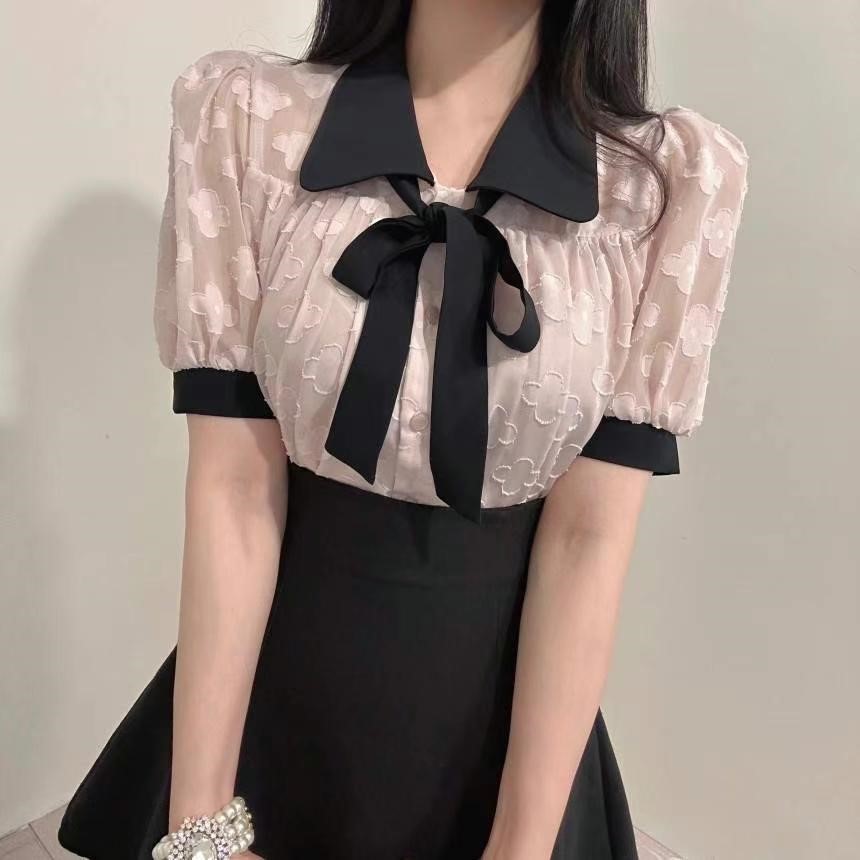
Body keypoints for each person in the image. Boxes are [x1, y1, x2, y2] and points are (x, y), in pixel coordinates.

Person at [57, 0, 750, 858]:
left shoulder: (666, 187)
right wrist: (200, 827)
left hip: (504, 754)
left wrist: (520, 847)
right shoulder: (247, 120)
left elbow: (588, 539)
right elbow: (234, 488)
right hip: (273, 722)